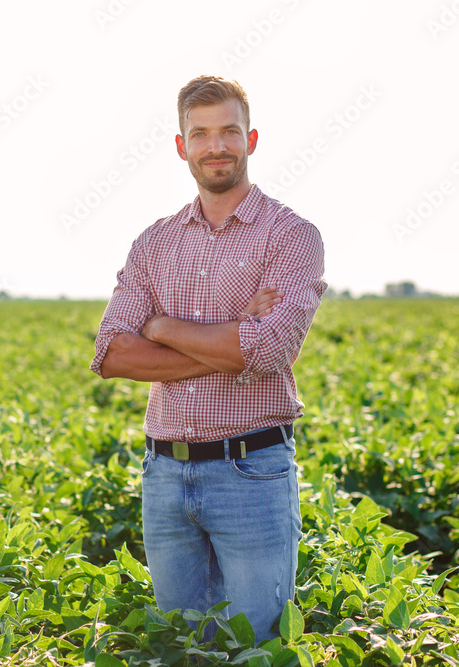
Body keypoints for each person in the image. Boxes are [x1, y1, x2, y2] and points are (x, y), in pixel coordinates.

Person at [89, 75, 326, 645]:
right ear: (181, 146)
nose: (215, 145)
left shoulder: (291, 236)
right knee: (181, 646)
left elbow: (270, 351)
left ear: (252, 139)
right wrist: (232, 338)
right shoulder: (154, 243)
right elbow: (112, 352)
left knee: (254, 646)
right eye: (201, 134)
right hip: (164, 475)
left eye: (229, 132)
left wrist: (164, 327)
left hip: (251, 470)